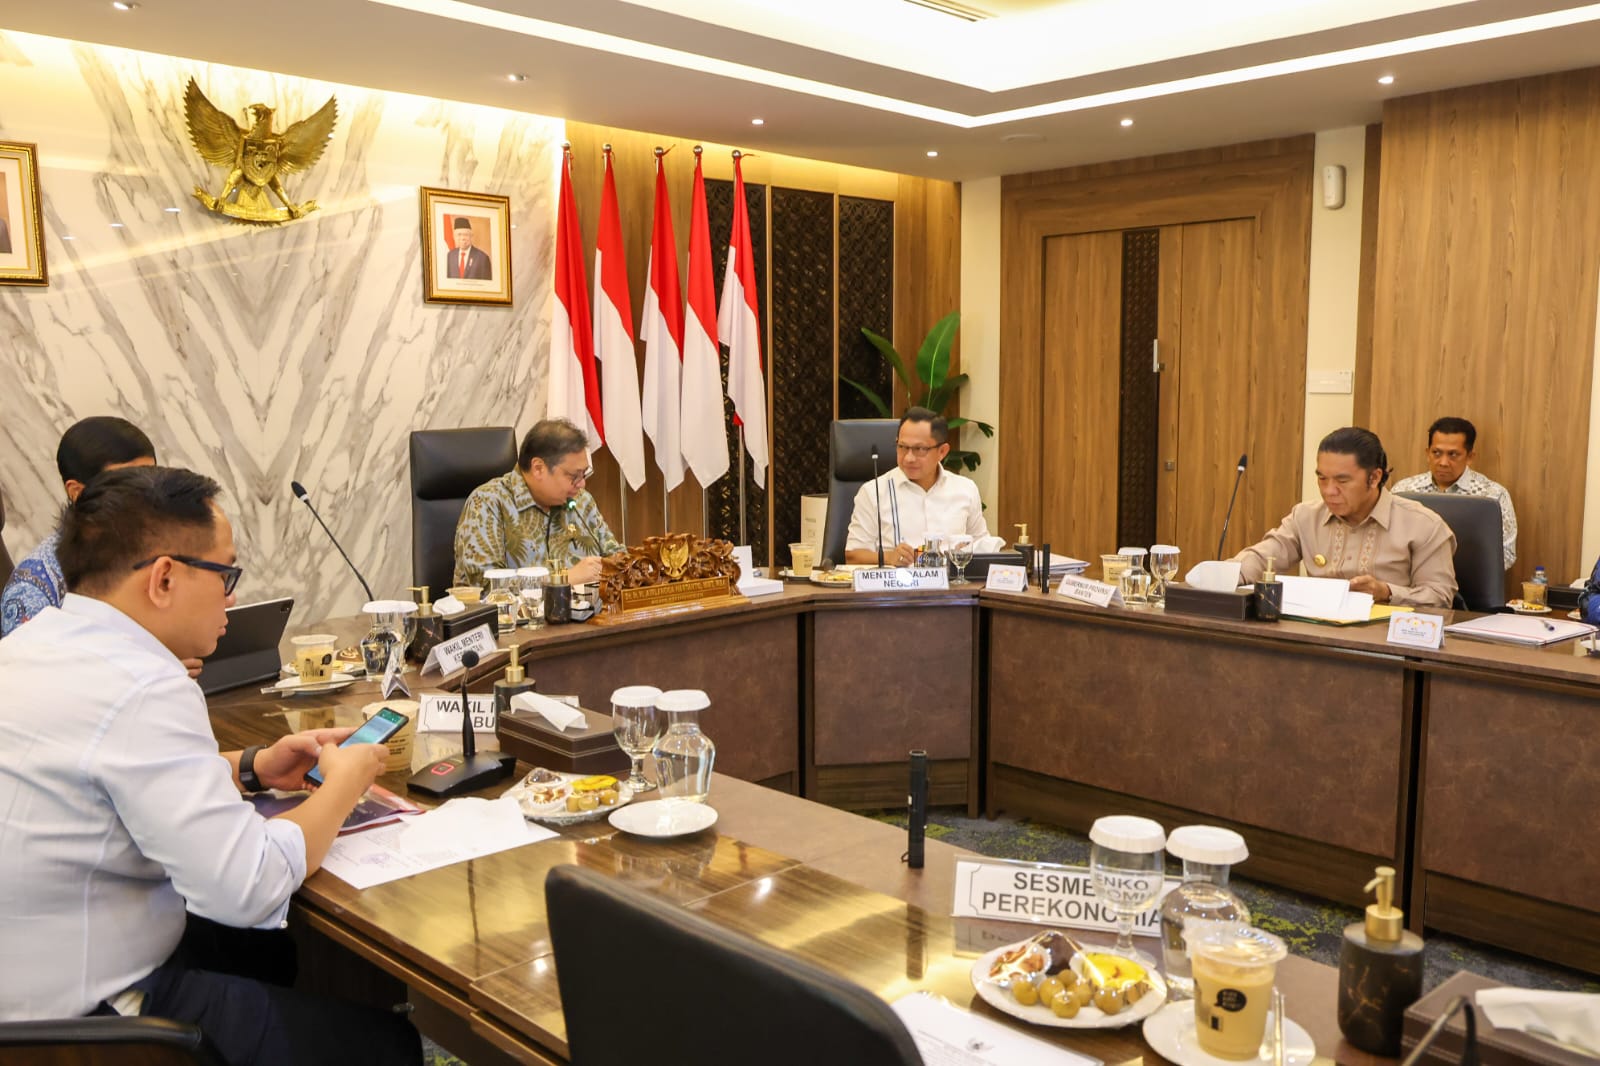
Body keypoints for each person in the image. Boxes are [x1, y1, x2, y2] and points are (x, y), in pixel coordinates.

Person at [0, 466, 420, 1066]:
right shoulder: (145, 684)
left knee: (260, 955)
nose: (231, 597)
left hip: (24, 990)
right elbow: (248, 886)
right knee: (385, 1045)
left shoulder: (32, 642)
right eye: (225, 574)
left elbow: (104, 775)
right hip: (82, 1027)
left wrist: (252, 766)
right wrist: (347, 780)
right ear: (164, 577)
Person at [1232, 426, 1458, 608]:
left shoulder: (1424, 525)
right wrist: (1223, 574)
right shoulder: (1306, 516)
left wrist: (1386, 593)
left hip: (1389, 646)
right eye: (1322, 479)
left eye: (1342, 481)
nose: (1329, 491)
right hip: (1318, 637)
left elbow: (1439, 596)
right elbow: (1264, 557)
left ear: (1374, 477)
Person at [2, 415, 158, 637]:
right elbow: (33, 669)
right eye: (127, 483)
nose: (147, 494)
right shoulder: (34, 590)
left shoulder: (163, 550)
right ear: (77, 492)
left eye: (152, 478)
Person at [454, 418, 623, 587]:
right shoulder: (488, 502)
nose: (582, 484)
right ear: (538, 468)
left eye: (584, 474)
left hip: (593, 612)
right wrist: (563, 579)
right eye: (573, 476)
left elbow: (617, 558)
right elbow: (483, 587)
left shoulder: (581, 501)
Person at [844, 407, 989, 566]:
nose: (909, 458)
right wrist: (889, 557)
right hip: (897, 588)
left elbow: (982, 546)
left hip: (953, 587)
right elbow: (853, 556)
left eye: (919, 449)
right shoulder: (874, 492)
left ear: (942, 451)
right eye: (902, 447)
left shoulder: (965, 489)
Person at [1390, 416, 1517, 569]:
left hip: (1470, 585)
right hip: (1411, 582)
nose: (1443, 462)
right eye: (1436, 453)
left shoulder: (1493, 495)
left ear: (1470, 457)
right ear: (1427, 453)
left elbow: (1507, 554)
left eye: (1453, 455)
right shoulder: (1404, 491)